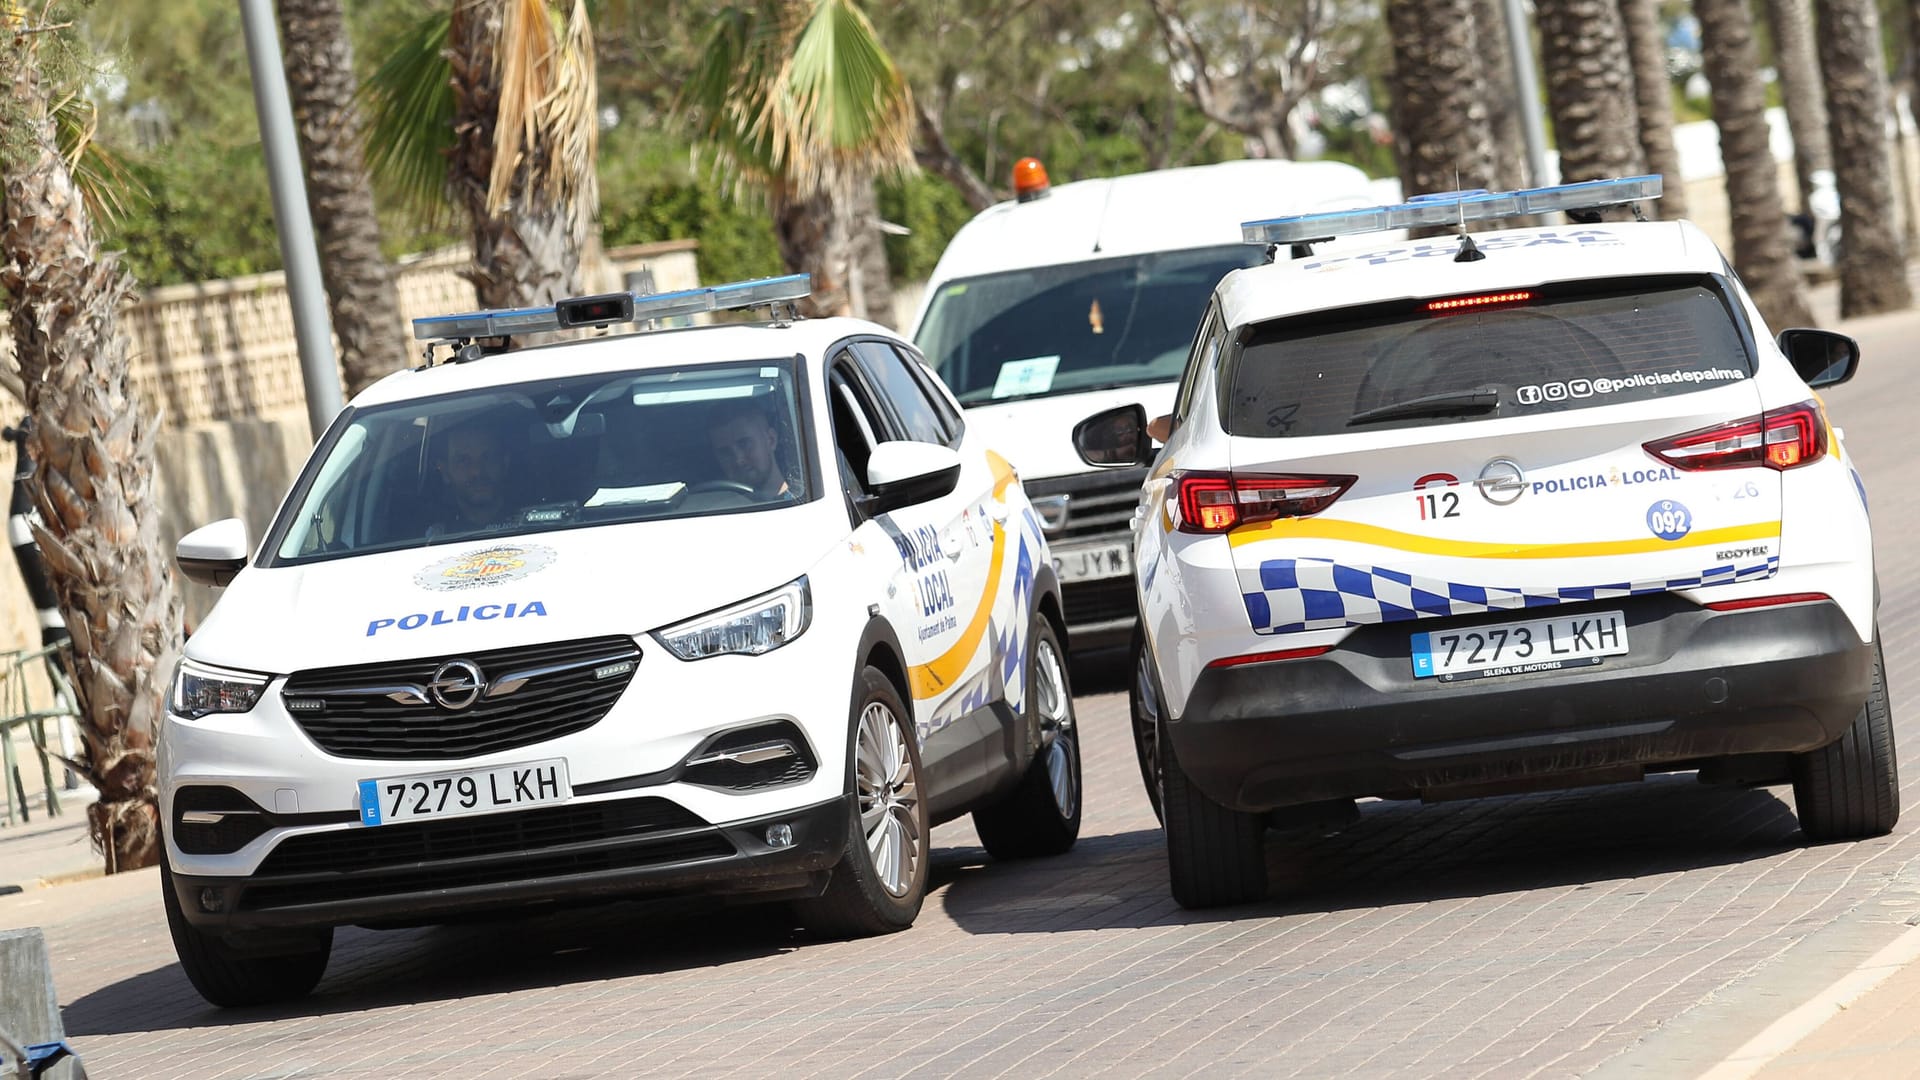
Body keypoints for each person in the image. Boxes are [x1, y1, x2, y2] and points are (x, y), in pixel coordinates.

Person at [429, 417, 518, 535]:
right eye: (463, 461)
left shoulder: (538, 519)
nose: (477, 471)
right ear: (445, 472)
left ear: (505, 463)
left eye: (487, 458)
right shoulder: (428, 536)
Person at [707, 397, 796, 501]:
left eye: (744, 444)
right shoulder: (712, 512)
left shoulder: (804, 505)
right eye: (725, 452)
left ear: (771, 440)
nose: (738, 460)